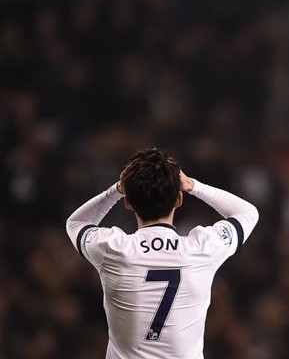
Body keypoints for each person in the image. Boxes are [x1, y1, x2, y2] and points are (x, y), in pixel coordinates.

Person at [66, 147, 259, 358]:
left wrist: (118, 189)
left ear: (128, 202)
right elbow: (247, 213)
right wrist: (193, 185)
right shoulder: (200, 249)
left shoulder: (114, 249)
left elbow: (76, 223)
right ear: (179, 199)